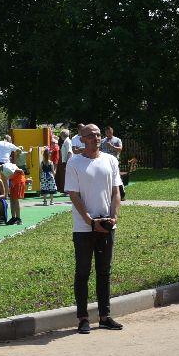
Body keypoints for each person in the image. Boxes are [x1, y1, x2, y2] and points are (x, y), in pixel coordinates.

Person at [65, 123, 123, 333]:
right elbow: (74, 195)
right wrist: (90, 221)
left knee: (104, 272)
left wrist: (114, 217)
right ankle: (82, 318)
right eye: (91, 135)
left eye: (98, 134)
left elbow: (116, 191)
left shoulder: (111, 160)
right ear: (81, 138)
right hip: (84, 228)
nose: (96, 137)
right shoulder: (75, 163)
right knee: (82, 272)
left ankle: (105, 316)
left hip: (107, 225)